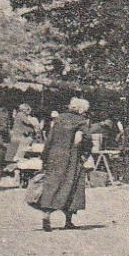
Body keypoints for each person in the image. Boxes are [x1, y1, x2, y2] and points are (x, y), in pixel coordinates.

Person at [31, 96, 91, 231]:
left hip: (54, 155)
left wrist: (45, 156)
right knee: (72, 186)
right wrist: (85, 154)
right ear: (81, 110)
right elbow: (88, 138)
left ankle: (47, 214)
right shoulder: (81, 121)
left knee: (53, 185)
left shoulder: (58, 119)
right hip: (72, 157)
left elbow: (50, 138)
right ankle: (68, 220)